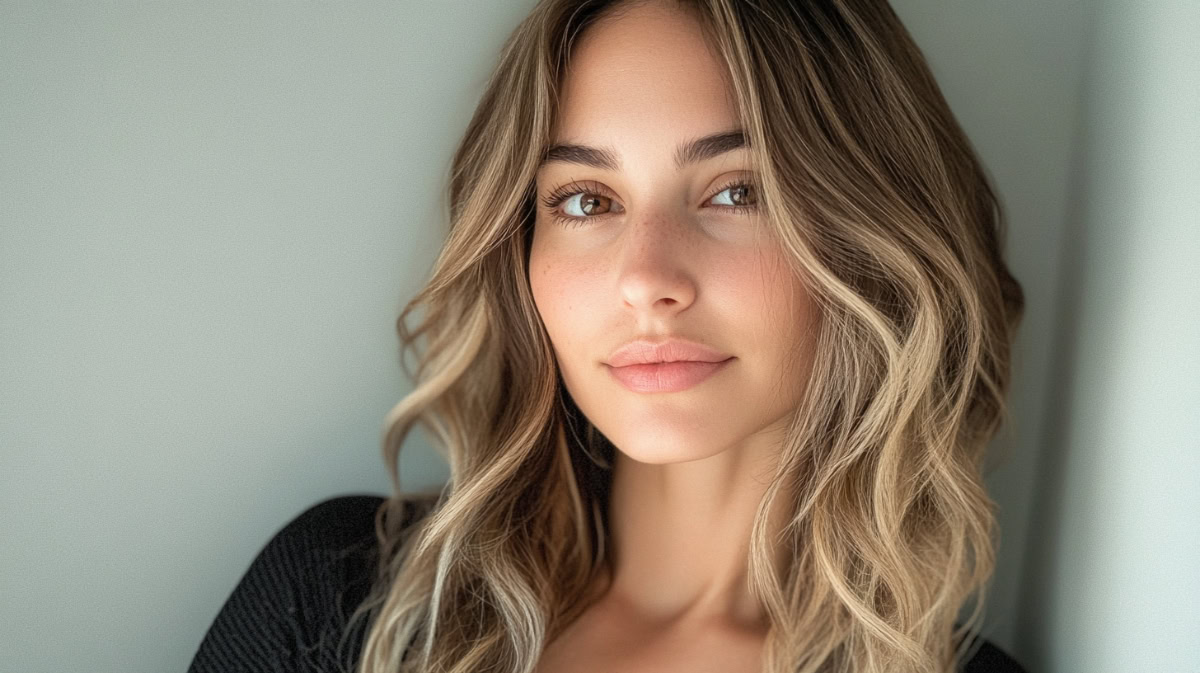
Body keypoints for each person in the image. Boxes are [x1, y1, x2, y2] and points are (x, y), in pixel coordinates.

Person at [188, 1, 1028, 672]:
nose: (646, 277)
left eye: (736, 192)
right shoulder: (338, 597)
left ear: (866, 233)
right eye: (588, 201)